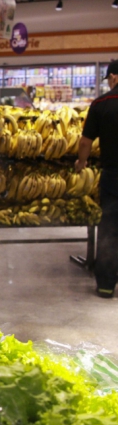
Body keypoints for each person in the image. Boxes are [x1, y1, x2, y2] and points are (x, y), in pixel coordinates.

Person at [75, 60, 118, 298]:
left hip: (113, 176)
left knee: (110, 229)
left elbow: (85, 142)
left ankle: (106, 285)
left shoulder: (101, 104)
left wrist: (82, 162)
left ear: (113, 77)